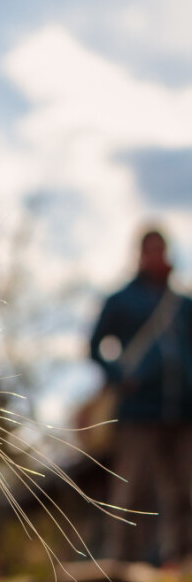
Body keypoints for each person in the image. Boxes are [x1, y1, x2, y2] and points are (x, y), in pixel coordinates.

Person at [89, 228, 192, 564]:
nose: (156, 256)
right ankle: (119, 563)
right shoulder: (121, 301)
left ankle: (180, 557)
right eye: (150, 250)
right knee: (131, 487)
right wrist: (121, 375)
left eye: (161, 249)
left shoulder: (182, 306)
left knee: (183, 489)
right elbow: (95, 346)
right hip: (138, 410)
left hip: (183, 408)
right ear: (140, 255)